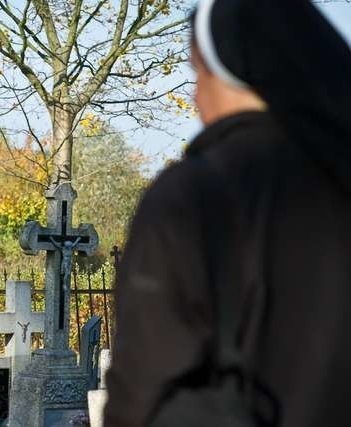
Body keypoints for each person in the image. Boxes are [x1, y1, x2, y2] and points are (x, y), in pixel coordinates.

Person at [105, 1, 351, 426]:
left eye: (196, 72)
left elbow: (143, 389)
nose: (194, 95)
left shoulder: (193, 196)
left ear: (225, 71)